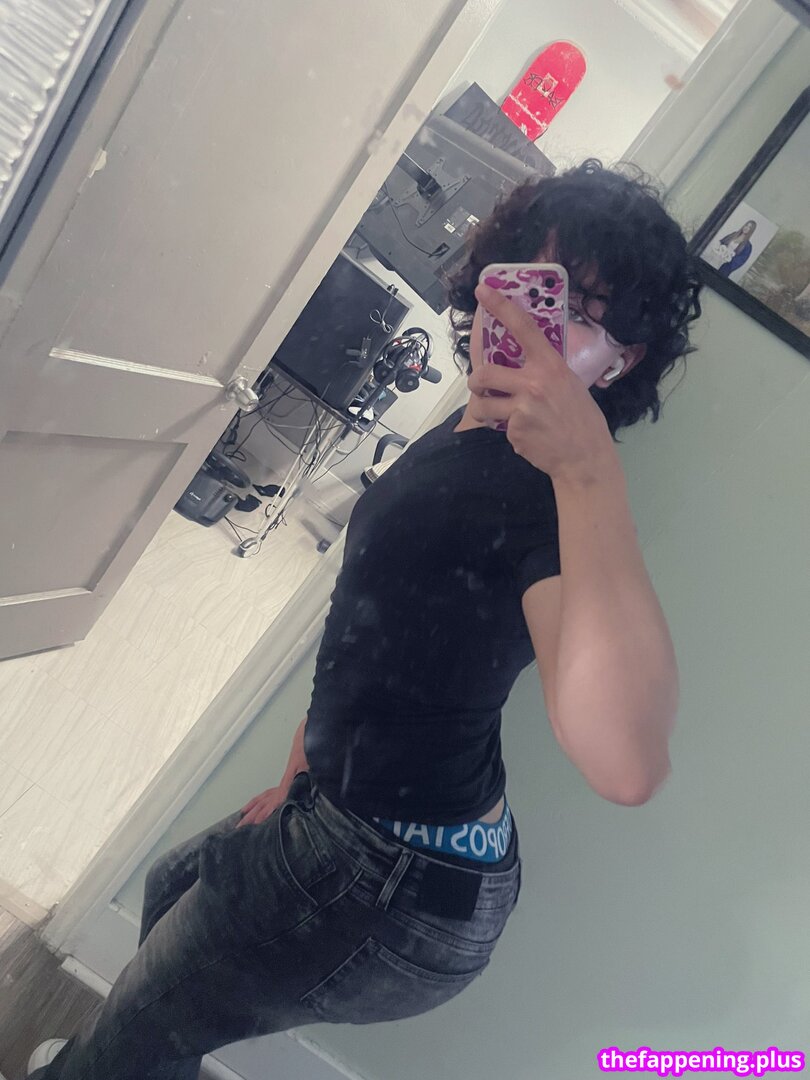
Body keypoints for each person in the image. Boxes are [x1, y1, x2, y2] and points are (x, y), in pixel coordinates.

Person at [23, 159, 702, 1080]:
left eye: (582, 312)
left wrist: (589, 469)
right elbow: (374, 629)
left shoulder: (550, 496)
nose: (535, 326)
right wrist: (301, 771)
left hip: (390, 884)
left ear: (620, 362)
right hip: (387, 834)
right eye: (530, 286)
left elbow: (626, 763)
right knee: (172, 887)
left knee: (130, 1037)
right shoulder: (471, 427)